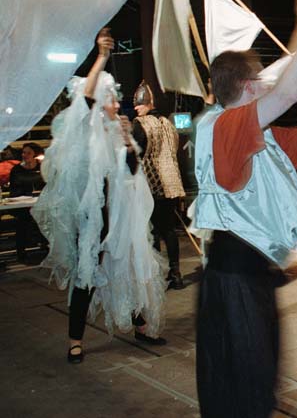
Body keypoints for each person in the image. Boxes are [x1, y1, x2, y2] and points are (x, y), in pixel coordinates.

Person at [193, 0, 297, 417]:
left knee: (257, 388)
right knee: (242, 395)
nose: (267, 83)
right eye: (261, 78)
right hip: (232, 280)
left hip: (252, 278)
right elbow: (286, 95)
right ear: (248, 86)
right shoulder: (225, 128)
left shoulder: (258, 136)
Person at [32, 29, 167, 364]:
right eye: (111, 99)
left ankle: (140, 326)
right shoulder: (84, 134)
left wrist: (125, 141)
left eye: (115, 98)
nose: (116, 103)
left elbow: (134, 172)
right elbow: (86, 98)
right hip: (93, 220)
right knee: (87, 275)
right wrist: (103, 56)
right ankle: (75, 340)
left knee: (131, 268)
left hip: (120, 219)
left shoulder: (117, 131)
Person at [132, 81, 187, 289]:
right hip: (172, 182)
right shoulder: (168, 123)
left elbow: (136, 152)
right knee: (169, 230)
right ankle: (176, 273)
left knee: (153, 231)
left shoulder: (141, 123)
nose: (136, 107)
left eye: (139, 103)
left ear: (148, 103)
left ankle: (155, 274)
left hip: (152, 183)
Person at [9, 142, 46, 262]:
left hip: (39, 203)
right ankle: (21, 252)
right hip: (22, 205)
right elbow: (14, 190)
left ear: (35, 154)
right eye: (23, 152)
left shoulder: (42, 168)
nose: (25, 155)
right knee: (23, 220)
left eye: (28, 153)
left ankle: (45, 248)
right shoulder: (16, 169)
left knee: (47, 217)